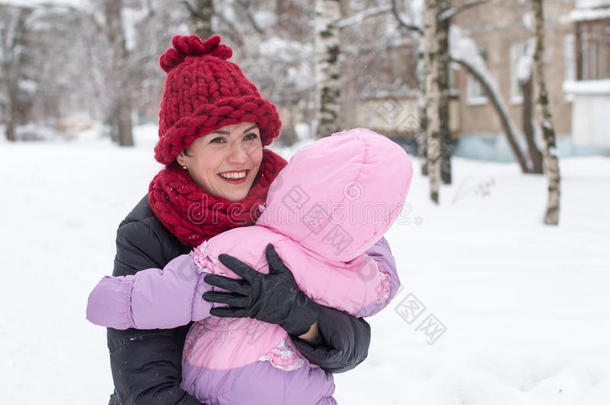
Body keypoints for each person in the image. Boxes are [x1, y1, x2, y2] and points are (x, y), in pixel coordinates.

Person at [99, 34, 400, 405]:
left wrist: (301, 316)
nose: (240, 156)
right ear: (181, 154)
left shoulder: (300, 207)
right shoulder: (147, 232)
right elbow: (144, 382)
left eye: (250, 136)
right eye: (218, 140)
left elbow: (353, 345)